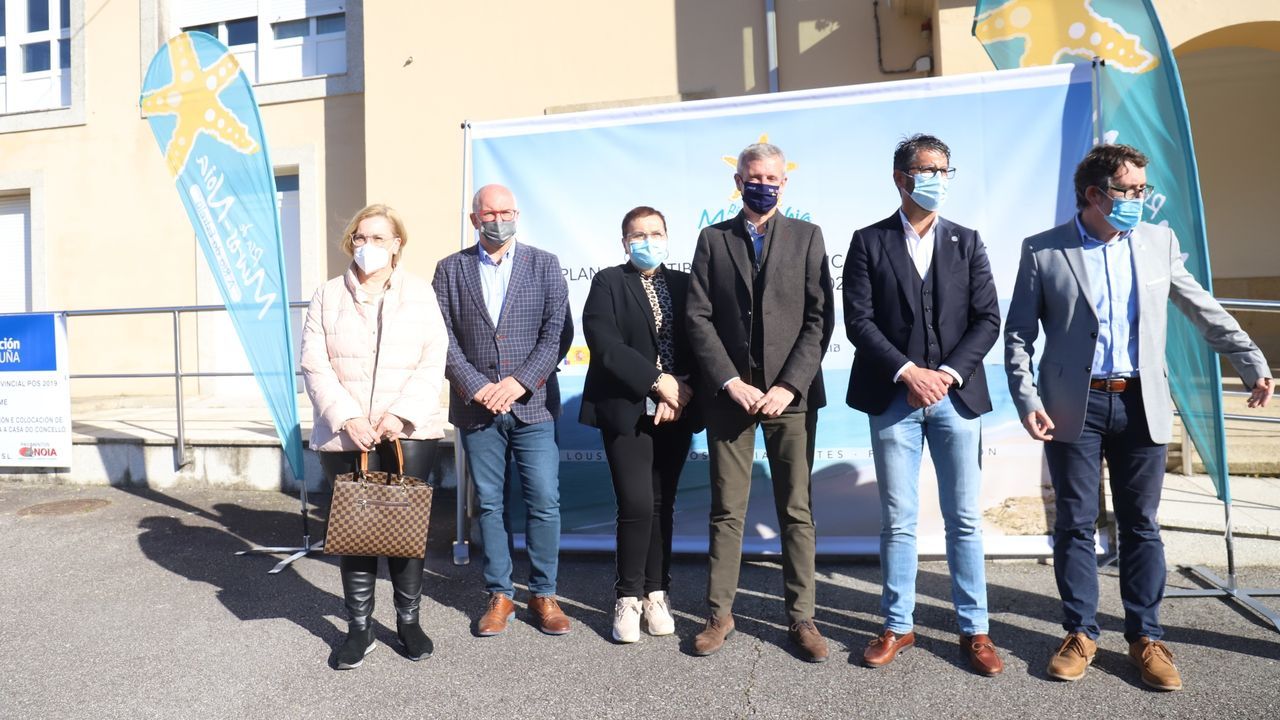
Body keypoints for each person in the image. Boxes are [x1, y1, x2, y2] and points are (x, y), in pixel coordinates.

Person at [1004, 143, 1273, 691]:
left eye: (1141, 189)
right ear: (1094, 194)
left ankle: (1145, 637)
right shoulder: (1043, 250)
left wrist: (1250, 361)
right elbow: (1018, 335)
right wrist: (1027, 400)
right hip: (1070, 405)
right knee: (1077, 526)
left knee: (1142, 526)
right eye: (1128, 190)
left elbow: (1201, 306)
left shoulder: (1158, 242)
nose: (1138, 200)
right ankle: (1080, 632)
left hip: (1140, 402)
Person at [843, 134, 1004, 675]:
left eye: (944, 169)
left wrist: (948, 374)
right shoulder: (868, 242)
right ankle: (897, 624)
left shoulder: (968, 241)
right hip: (894, 398)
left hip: (956, 400)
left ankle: (975, 630)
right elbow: (859, 321)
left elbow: (987, 318)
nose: (936, 178)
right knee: (899, 519)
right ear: (901, 177)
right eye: (926, 169)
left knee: (963, 519)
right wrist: (910, 372)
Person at [685, 142, 834, 662]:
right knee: (728, 509)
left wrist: (788, 385)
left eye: (772, 176)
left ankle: (802, 619)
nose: (762, 183)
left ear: (784, 182)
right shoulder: (712, 239)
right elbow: (698, 318)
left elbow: (819, 320)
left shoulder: (808, 238)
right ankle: (718, 615)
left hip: (788, 398)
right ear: (739, 180)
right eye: (753, 176)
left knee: (796, 509)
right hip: (731, 398)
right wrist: (730, 381)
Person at [301, 203, 447, 670]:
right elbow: (314, 363)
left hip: (409, 431)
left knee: (405, 530)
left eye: (378, 238)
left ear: (397, 244)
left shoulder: (420, 294)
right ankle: (359, 629)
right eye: (360, 238)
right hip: (347, 434)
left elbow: (433, 359)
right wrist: (348, 417)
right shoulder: (326, 295)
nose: (368, 247)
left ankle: (408, 620)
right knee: (355, 534)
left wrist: (399, 416)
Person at [433, 183, 573, 637]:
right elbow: (443, 339)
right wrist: (477, 386)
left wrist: (516, 384)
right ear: (475, 219)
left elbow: (556, 336)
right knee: (489, 504)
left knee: (545, 502)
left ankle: (543, 592)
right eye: (489, 213)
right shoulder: (449, 270)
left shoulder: (545, 265)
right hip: (477, 409)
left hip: (533, 406)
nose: (499, 220)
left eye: (507, 211)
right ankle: (500, 594)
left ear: (518, 213)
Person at [580, 206, 699, 643]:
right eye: (638, 235)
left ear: (667, 236)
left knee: (662, 504)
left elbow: (701, 341)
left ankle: (657, 593)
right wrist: (656, 384)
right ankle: (627, 597)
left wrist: (679, 391)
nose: (648, 241)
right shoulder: (609, 282)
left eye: (656, 233)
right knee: (634, 503)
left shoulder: (686, 284)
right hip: (627, 408)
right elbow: (605, 344)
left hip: (678, 407)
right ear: (624, 242)